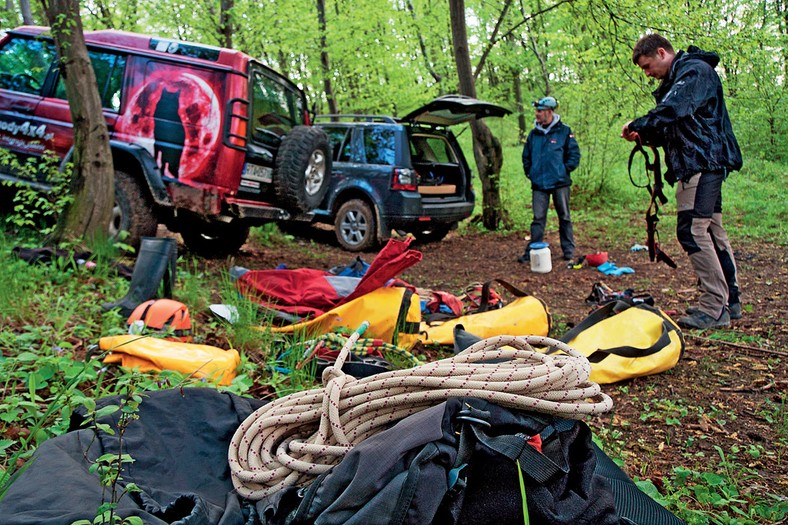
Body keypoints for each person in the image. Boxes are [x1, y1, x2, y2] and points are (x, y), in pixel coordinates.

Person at [621, 33, 743, 330]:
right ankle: (731, 300)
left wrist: (638, 124)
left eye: (648, 66)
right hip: (700, 161)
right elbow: (676, 126)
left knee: (692, 229)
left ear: (662, 52)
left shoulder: (694, 72)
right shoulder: (679, 80)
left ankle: (714, 306)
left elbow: (675, 110)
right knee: (711, 229)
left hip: (703, 162)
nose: (648, 74)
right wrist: (646, 135)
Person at [518, 96, 581, 264]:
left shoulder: (565, 131)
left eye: (540, 111)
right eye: (536, 111)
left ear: (549, 112)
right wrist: (530, 172)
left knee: (564, 217)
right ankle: (531, 252)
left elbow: (574, 155)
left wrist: (563, 170)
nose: (537, 114)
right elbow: (526, 157)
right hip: (539, 184)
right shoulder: (533, 134)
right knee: (538, 218)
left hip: (560, 183)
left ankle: (568, 251)